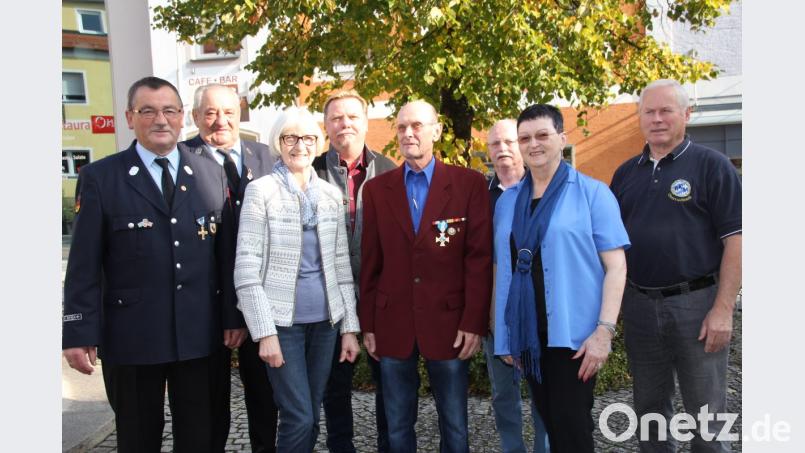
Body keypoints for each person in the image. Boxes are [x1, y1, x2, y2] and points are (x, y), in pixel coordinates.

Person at [62, 76, 226, 452]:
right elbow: (84, 263)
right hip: (131, 336)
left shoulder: (208, 173)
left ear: (183, 116)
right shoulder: (101, 178)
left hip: (197, 335)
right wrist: (77, 332)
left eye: (169, 110)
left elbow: (223, 257)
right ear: (129, 118)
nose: (160, 120)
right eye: (147, 111)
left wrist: (230, 319)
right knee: (137, 438)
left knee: (200, 437)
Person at [609, 79, 742, 452]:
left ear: (686, 114)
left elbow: (737, 240)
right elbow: (612, 247)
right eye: (648, 112)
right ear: (639, 118)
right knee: (650, 413)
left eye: (666, 110)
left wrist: (723, 310)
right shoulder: (625, 174)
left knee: (707, 417)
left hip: (697, 305)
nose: (657, 119)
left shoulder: (712, 167)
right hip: (639, 307)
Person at [494, 104, 629, 453]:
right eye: (525, 138)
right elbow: (503, 267)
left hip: (574, 337)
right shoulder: (508, 202)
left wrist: (604, 332)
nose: (533, 144)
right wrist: (507, 334)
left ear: (562, 139)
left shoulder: (593, 193)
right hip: (530, 334)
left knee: (571, 429)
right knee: (551, 420)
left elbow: (617, 267)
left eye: (542, 135)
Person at [359, 100, 492, 453]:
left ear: (437, 131)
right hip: (392, 323)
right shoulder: (376, 190)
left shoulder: (469, 184)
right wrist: (367, 324)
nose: (408, 133)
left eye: (417, 126)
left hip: (449, 324)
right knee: (398, 426)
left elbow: (478, 260)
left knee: (454, 425)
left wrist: (474, 322)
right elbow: (371, 261)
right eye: (402, 127)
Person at [233, 106, 361, 452]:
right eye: (290, 137)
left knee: (313, 415)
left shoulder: (331, 196)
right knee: (299, 415)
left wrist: (349, 328)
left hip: (325, 324)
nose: (299, 145)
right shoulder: (261, 192)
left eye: (307, 138)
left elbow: (341, 269)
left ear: (319, 142)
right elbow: (246, 268)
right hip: (281, 325)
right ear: (278, 142)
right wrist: (265, 333)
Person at [181, 83, 278, 452]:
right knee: (208, 407)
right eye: (209, 113)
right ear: (195, 118)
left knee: (266, 401)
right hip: (204, 307)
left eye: (228, 112)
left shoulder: (266, 157)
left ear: (240, 115)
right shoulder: (181, 160)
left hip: (260, 303)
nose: (220, 121)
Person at [314, 89, 397, 453]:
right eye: (336, 117)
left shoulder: (392, 170)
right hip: (329, 299)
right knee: (335, 389)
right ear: (326, 125)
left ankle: (387, 446)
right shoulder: (311, 171)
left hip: (383, 298)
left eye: (352, 116)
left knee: (390, 386)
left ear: (365, 122)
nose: (344, 123)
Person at [484, 119, 549, 453]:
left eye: (509, 142)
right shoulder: (481, 196)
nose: (503, 149)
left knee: (543, 393)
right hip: (495, 313)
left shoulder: (543, 189)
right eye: (495, 144)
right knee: (503, 395)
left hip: (538, 314)